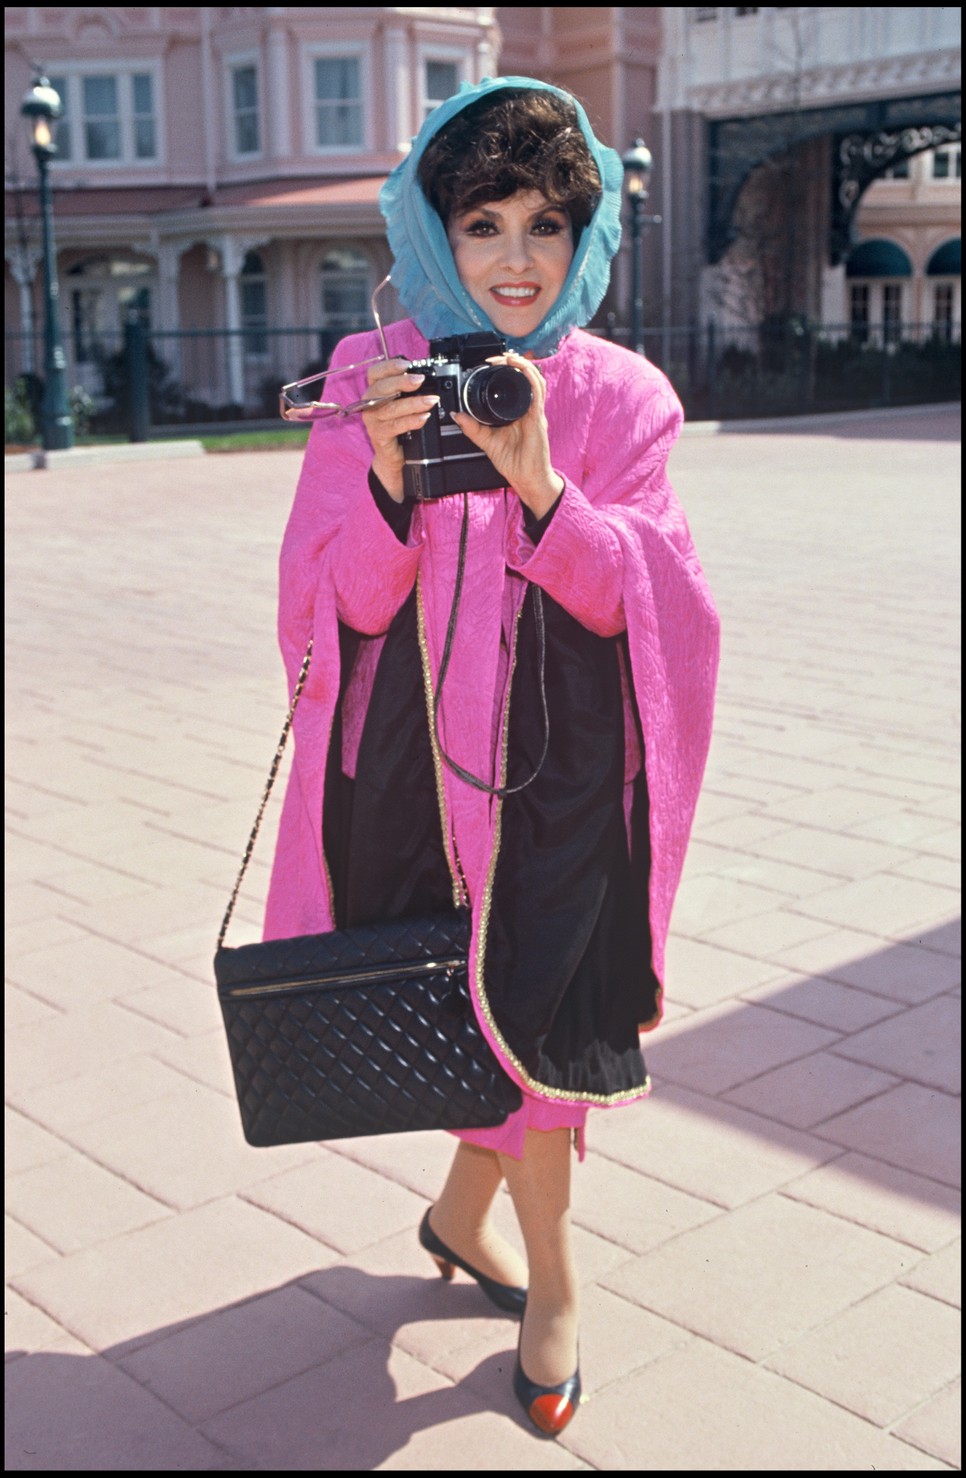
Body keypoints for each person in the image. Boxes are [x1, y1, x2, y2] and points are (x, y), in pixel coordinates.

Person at [265, 76, 719, 1437]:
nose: (515, 260)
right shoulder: (369, 374)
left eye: (543, 225)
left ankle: (548, 1275)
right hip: (415, 782)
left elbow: (656, 606)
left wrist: (538, 480)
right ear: (430, 231)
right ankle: (475, 1223)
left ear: (584, 238)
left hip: (560, 787)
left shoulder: (620, 396)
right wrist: (395, 476)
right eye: (481, 223)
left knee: (536, 1001)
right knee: (482, 1009)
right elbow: (327, 601)